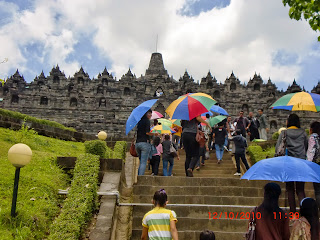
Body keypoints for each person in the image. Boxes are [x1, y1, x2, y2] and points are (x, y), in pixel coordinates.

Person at [275, 113, 308, 213]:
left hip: (288, 163)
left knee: (290, 189)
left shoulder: (284, 133)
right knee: (300, 190)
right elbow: (306, 147)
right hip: (301, 163)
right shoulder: (303, 133)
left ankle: (293, 214)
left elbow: (278, 148)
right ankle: (304, 214)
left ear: (288, 122)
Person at [136, 109, 158, 175]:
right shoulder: (147, 121)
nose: (150, 115)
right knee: (143, 162)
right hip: (144, 143)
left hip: (137, 144)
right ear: (145, 114)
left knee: (141, 162)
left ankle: (138, 177)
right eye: (149, 113)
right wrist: (154, 134)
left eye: (151, 113)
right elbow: (147, 132)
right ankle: (140, 178)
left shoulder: (139, 121)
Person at [306, 121, 320, 213]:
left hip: (317, 165)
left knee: (318, 190)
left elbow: (311, 152)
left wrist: (307, 164)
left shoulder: (313, 137)